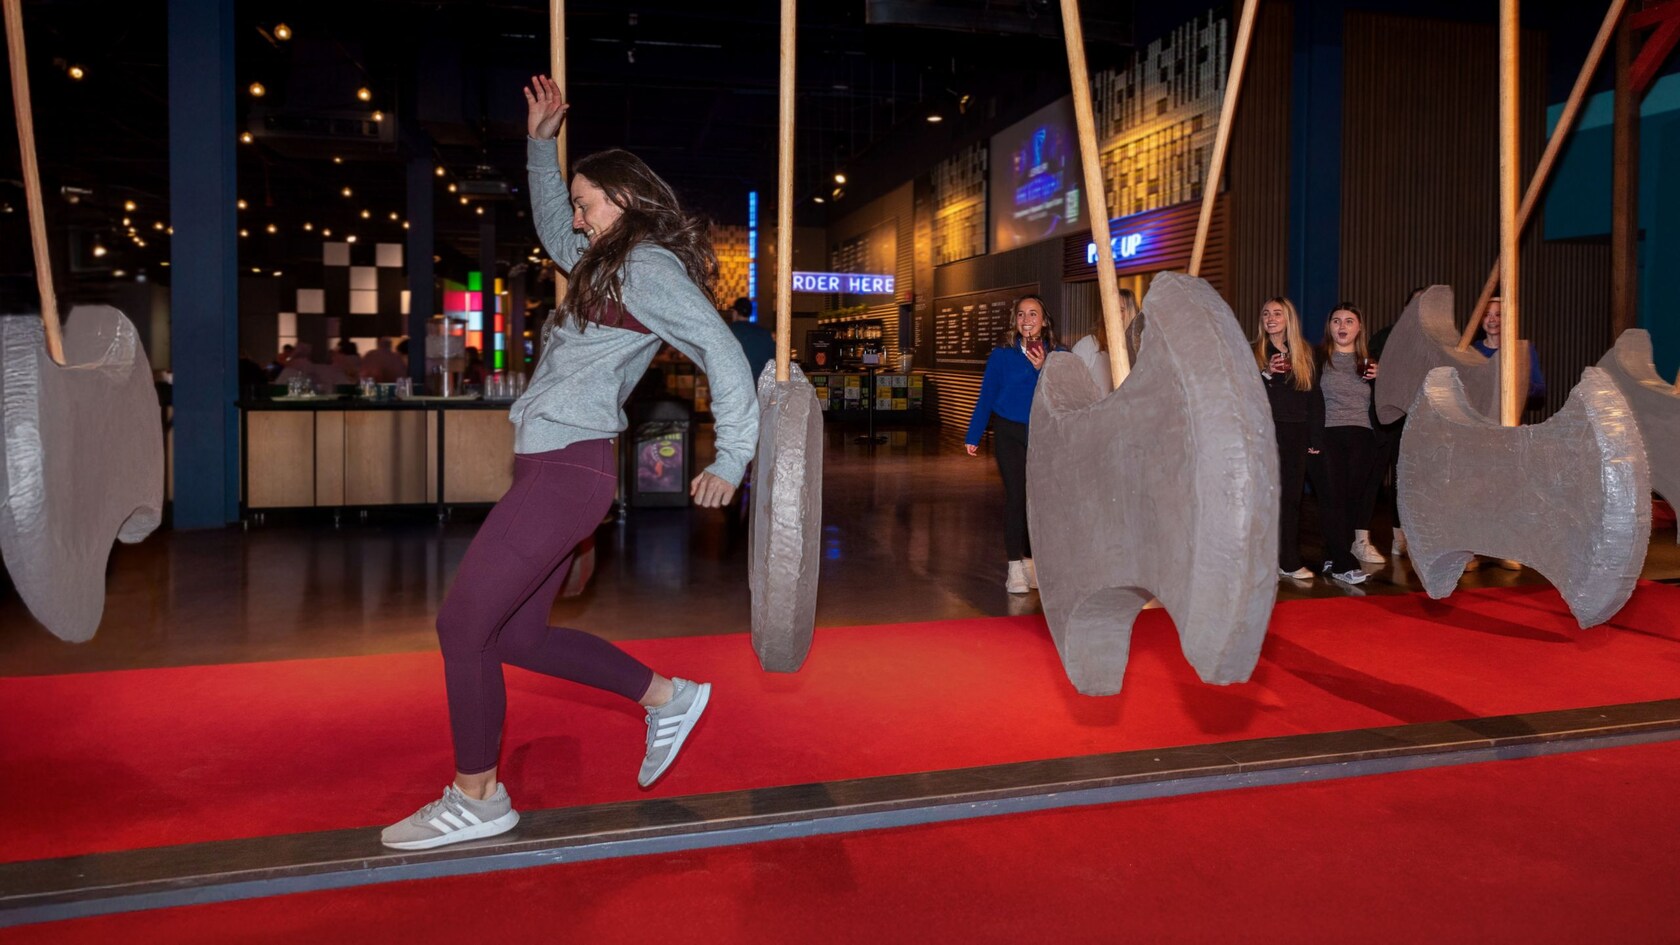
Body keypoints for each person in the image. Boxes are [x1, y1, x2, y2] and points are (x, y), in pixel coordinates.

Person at [381, 75, 758, 851]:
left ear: (626, 199)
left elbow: (720, 348)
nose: (578, 220)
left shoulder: (648, 266)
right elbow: (554, 224)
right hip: (553, 468)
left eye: (590, 203)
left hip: (567, 470)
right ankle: (666, 696)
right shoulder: (604, 263)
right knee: (515, 636)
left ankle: (476, 794)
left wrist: (736, 453)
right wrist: (539, 145)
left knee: (461, 625)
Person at [963, 294, 1065, 594]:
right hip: (1008, 431)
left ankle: (1033, 563)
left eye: (1033, 314)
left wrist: (1045, 367)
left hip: (1045, 433)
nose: (1027, 320)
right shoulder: (1001, 356)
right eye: (1021, 314)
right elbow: (987, 396)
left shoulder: (1059, 355)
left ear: (1044, 320)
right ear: (1015, 321)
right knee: (1017, 497)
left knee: (1039, 499)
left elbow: (1065, 393)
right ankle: (1014, 568)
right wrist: (974, 433)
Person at [1470, 297, 1548, 571]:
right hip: (1479, 431)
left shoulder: (1521, 350)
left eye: (1498, 314)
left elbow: (1539, 389)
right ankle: (1475, 550)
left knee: (1508, 490)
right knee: (1478, 490)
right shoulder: (1471, 352)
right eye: (1487, 315)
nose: (1492, 319)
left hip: (1510, 429)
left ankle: (1503, 549)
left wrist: (1516, 382)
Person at [1252, 297, 1326, 582]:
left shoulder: (1305, 352)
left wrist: (1315, 436)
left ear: (1288, 319)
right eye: (1266, 313)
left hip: (1296, 432)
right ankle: (1262, 560)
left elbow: (1314, 398)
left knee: (1292, 500)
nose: (1270, 318)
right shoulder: (1253, 351)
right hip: (1264, 433)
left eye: (1277, 313)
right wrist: (1267, 373)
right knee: (1264, 499)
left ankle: (1288, 560)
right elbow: (1243, 393)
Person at [1314, 302, 1381, 584]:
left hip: (1361, 435)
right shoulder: (1318, 359)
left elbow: (1384, 405)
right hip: (1328, 433)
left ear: (1359, 327)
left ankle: (1332, 553)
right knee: (1332, 497)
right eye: (1337, 321)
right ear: (1329, 327)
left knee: (1351, 500)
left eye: (1349, 321)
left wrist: (1380, 381)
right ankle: (1344, 563)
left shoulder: (1369, 361)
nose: (1342, 326)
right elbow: (1307, 399)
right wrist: (1311, 438)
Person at [1070, 288, 1138, 393]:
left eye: (1120, 310)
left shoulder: (1141, 352)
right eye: (1110, 309)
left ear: (1131, 314)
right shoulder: (1089, 345)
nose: (1113, 314)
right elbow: (1069, 385)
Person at [726, 296, 775, 382]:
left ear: (735, 313)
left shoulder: (727, 333)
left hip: (737, 388)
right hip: (760, 389)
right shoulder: (765, 334)